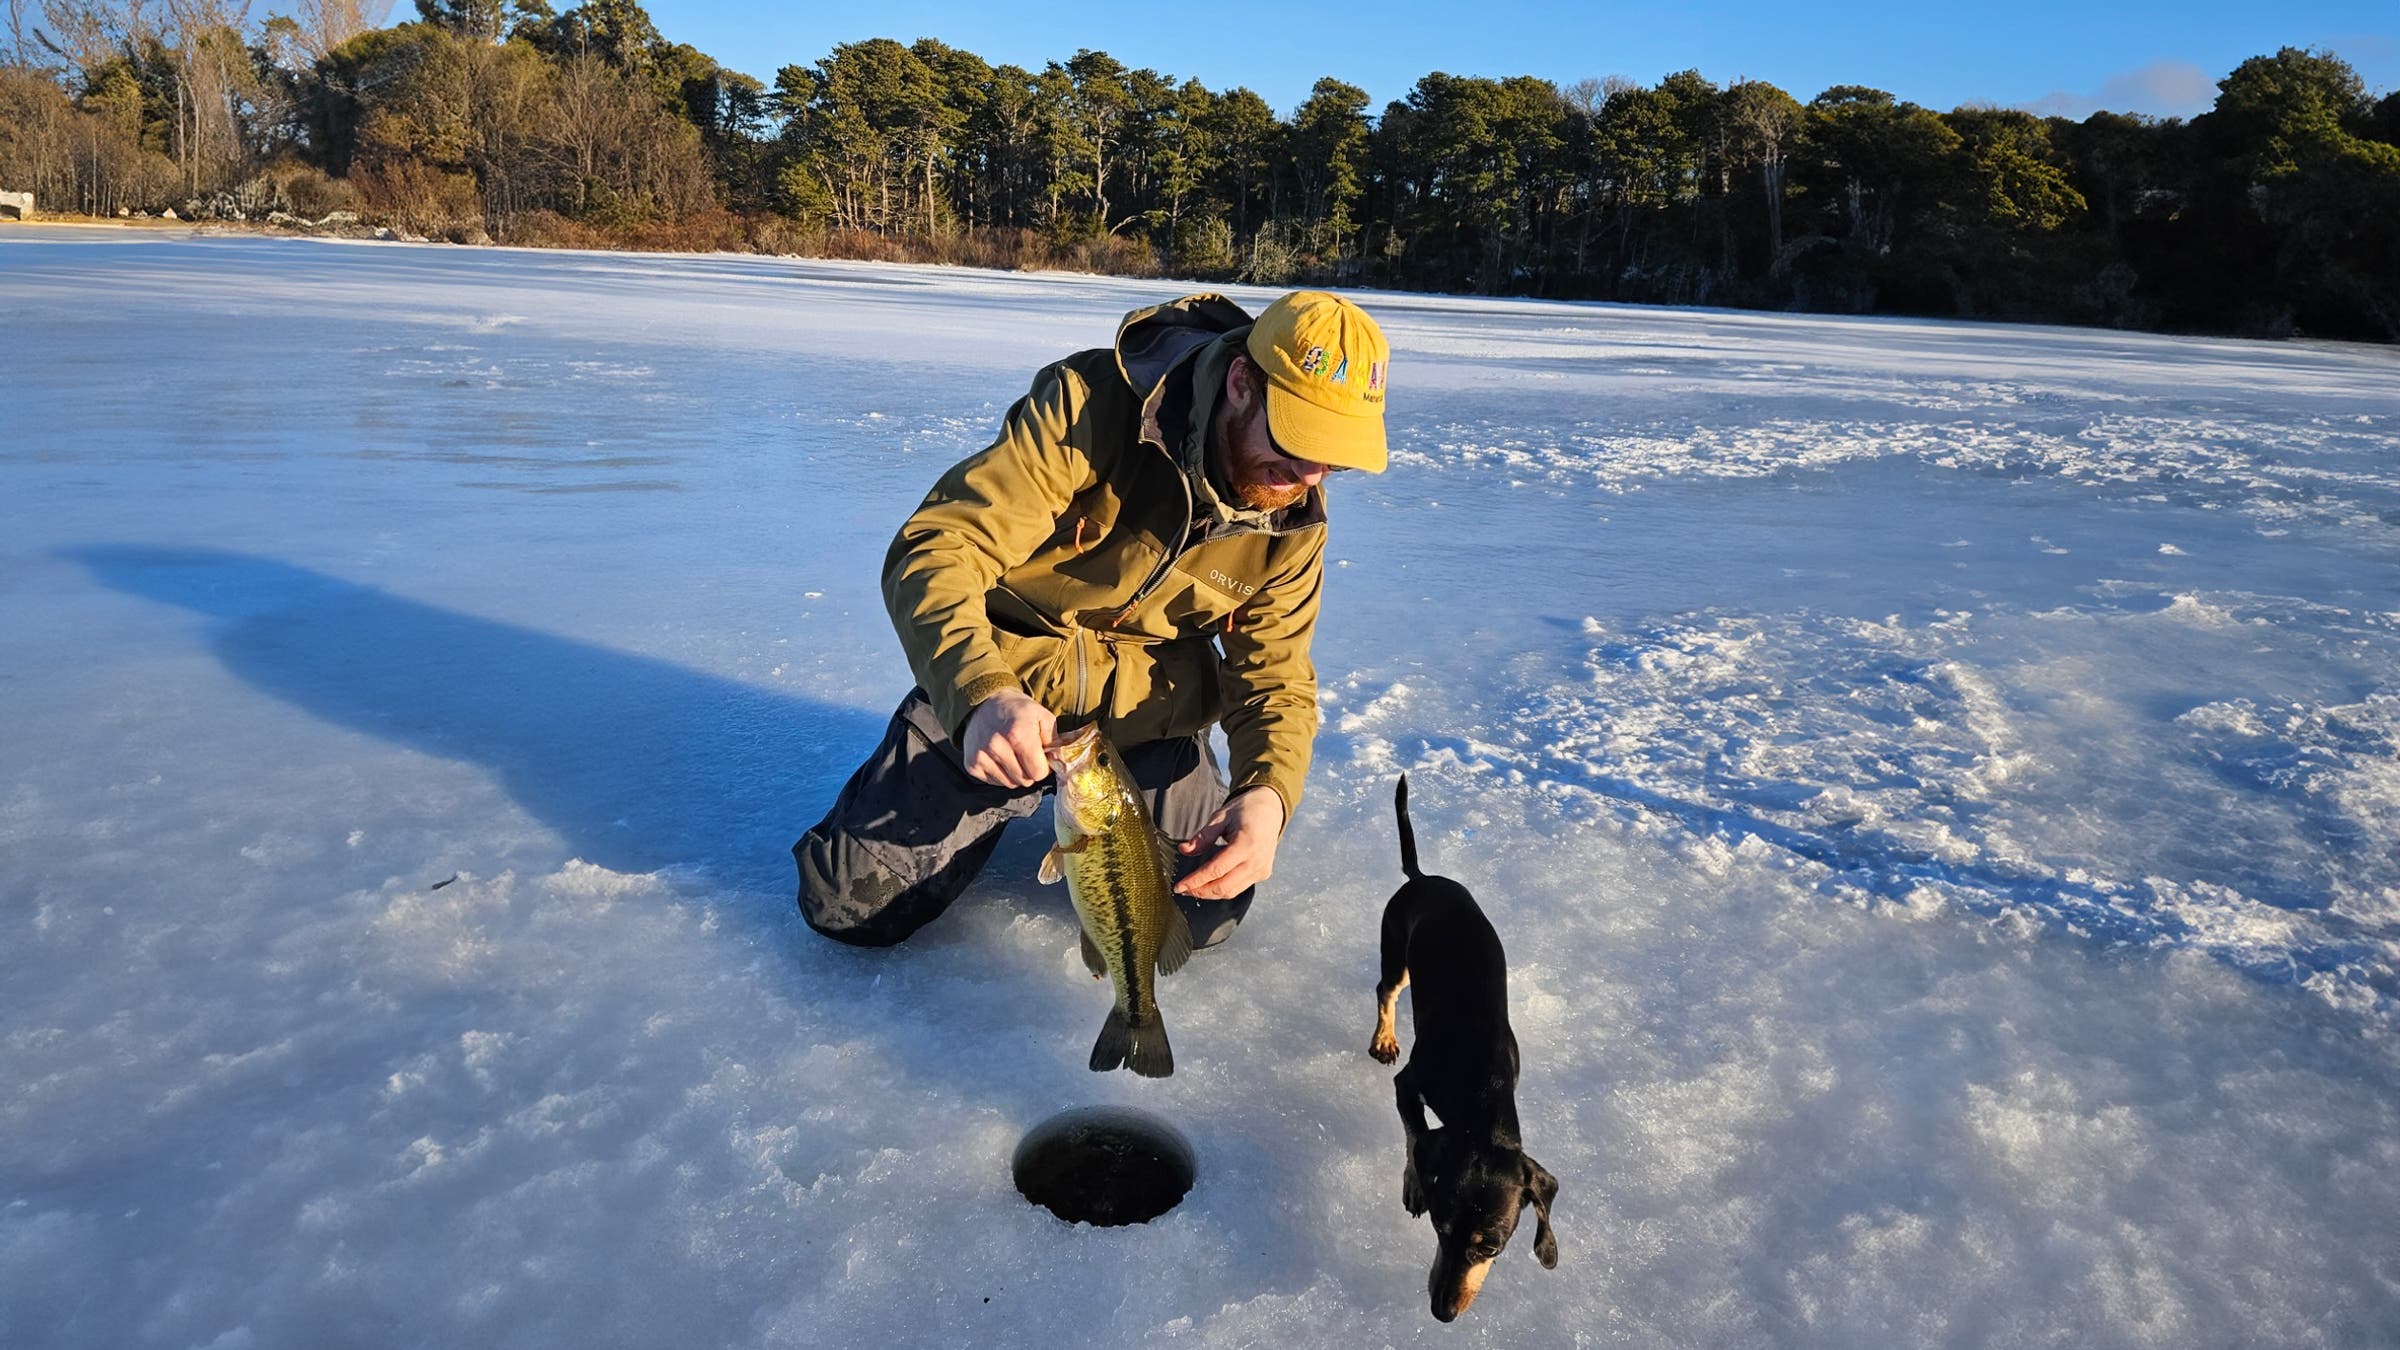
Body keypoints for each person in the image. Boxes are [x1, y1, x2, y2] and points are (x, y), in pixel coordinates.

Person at [795, 289, 1392, 950]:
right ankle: (972, 753)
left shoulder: (1293, 522)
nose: (1309, 475)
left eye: (1334, 458)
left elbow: (1275, 675)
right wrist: (978, 696)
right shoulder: (1090, 405)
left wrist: (1269, 797)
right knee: (848, 903)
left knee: (1196, 917)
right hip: (1013, 681)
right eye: (1299, 440)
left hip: (1149, 715)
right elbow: (939, 549)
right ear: (1242, 383)